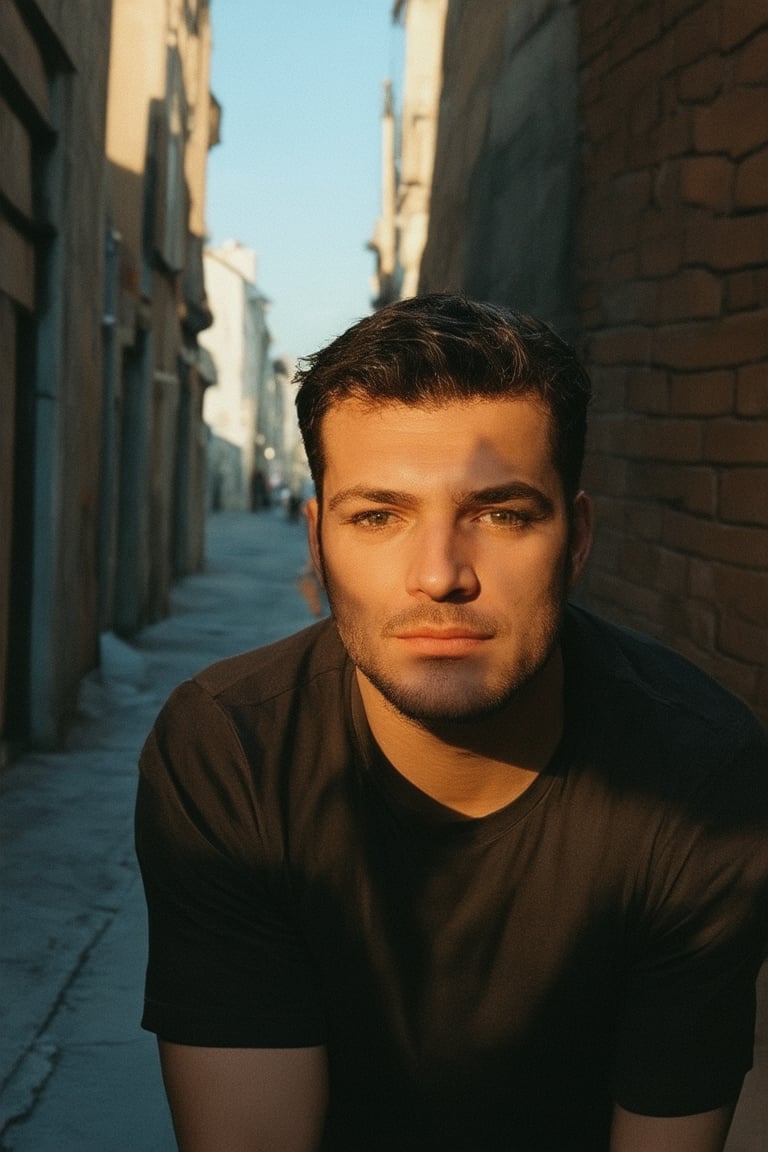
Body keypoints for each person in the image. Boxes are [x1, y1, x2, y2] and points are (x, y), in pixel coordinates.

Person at [136, 294, 768, 1152]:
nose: (439, 576)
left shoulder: (701, 777)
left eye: (502, 514)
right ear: (316, 542)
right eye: (378, 516)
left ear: (576, 540)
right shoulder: (230, 751)